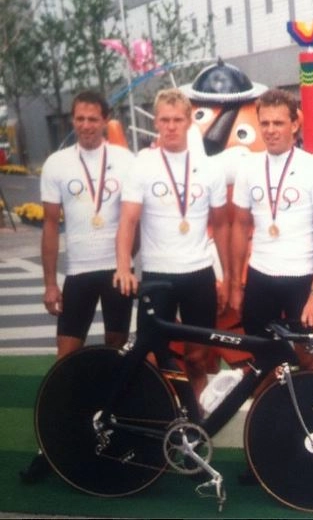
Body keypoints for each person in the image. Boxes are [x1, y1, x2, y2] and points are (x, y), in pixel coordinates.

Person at [20, 90, 135, 483]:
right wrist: (50, 283)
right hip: (81, 273)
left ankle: (111, 433)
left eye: (93, 119)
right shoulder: (57, 163)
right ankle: (50, 446)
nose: (86, 125)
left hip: (118, 273)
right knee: (65, 360)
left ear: (105, 120)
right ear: (73, 120)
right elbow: (50, 226)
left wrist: (134, 266)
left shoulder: (124, 160)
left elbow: (136, 220)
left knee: (115, 356)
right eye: (79, 118)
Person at [113, 88, 231, 403]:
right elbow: (128, 221)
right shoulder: (143, 164)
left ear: (190, 121)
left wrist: (227, 277)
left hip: (198, 274)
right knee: (152, 355)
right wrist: (124, 266)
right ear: (156, 122)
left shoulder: (210, 168)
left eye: (178, 119)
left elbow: (219, 227)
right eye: (164, 120)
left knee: (196, 357)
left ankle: (197, 416)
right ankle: (157, 411)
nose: (171, 126)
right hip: (158, 275)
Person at [229, 87, 313, 372]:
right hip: (259, 279)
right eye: (264, 123)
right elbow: (240, 227)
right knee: (261, 362)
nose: (270, 130)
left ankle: (308, 415)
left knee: (309, 360)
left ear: (294, 124)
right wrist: (236, 284)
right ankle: (268, 417)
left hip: (301, 279)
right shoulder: (248, 167)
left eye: (278, 123)